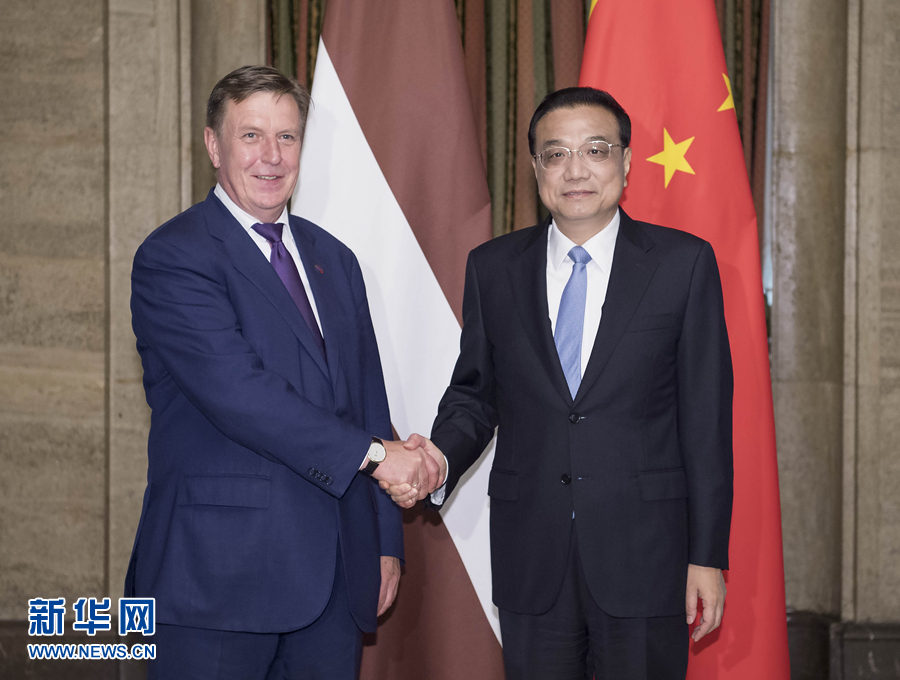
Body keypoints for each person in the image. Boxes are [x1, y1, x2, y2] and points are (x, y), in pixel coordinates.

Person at [388, 87, 734, 679]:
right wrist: (438, 458)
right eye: (556, 154)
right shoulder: (493, 267)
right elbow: (475, 395)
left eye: (595, 150)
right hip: (533, 556)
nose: (576, 170)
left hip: (646, 556)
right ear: (536, 168)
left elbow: (706, 422)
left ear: (626, 161)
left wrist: (706, 556)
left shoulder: (683, 263)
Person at [126, 65, 443, 680]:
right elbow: (240, 395)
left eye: (287, 137)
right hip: (218, 579)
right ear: (214, 145)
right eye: (251, 135)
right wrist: (380, 458)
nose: (271, 156)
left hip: (336, 576)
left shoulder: (335, 259)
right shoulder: (174, 256)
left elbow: (367, 400)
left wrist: (384, 540)